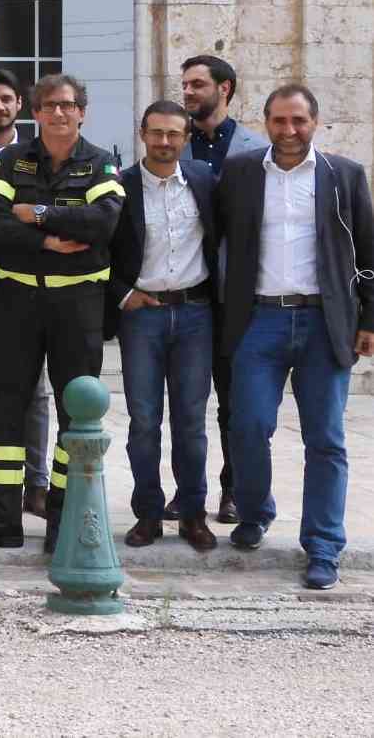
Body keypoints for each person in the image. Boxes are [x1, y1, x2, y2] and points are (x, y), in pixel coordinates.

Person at [0, 73, 123, 553]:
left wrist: (40, 214)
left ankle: (63, 522)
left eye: (68, 105)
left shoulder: (100, 163)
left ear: (82, 112)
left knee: (76, 411)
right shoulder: (12, 161)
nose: (59, 113)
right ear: (36, 113)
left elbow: (103, 222)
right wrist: (47, 241)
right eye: (49, 105)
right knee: (4, 407)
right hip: (18, 302)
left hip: (78, 304)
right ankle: (2, 520)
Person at [214, 84, 374, 590]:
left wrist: (368, 320)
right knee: (247, 426)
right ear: (265, 122)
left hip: (324, 322)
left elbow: (368, 252)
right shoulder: (240, 173)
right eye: (280, 121)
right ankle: (255, 511)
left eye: (299, 121)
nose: (289, 130)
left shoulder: (343, 175)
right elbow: (216, 238)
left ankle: (323, 545)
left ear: (315, 122)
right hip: (258, 319)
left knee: (325, 439)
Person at [105, 100, 219, 553]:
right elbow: (99, 249)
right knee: (144, 420)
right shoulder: (120, 187)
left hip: (195, 315)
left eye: (174, 134)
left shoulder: (205, 181)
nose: (165, 141)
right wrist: (123, 294)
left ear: (186, 138)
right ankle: (148, 514)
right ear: (142, 134)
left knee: (191, 421)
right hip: (142, 318)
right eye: (157, 133)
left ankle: (192, 514)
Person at [180, 52, 268, 526]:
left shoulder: (257, 149)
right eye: (185, 85)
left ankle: (234, 490)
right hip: (188, 292)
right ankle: (186, 491)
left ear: (225, 88)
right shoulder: (173, 143)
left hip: (239, 298)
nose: (188, 92)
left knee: (236, 403)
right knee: (187, 404)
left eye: (197, 84)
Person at [0, 67, 51, 519]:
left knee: (35, 394)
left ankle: (36, 484)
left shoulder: (42, 154)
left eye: (7, 99)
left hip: (31, 287)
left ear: (20, 105)